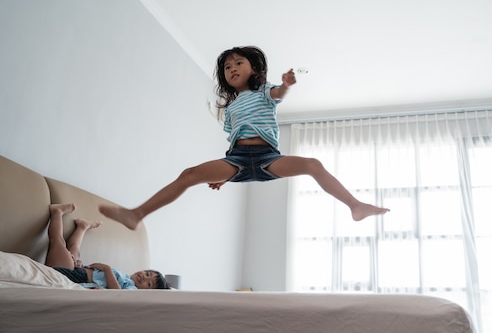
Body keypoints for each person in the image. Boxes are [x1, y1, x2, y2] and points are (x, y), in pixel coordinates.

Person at [99, 46, 389, 230]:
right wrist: (224, 176)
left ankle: (355, 205)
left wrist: (286, 85)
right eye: (227, 67)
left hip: (268, 159)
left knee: (313, 164)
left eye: (238, 63)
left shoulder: (264, 92)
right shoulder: (231, 108)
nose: (232, 69)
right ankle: (136, 214)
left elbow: (278, 95)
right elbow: (233, 141)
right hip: (237, 160)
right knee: (188, 174)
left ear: (254, 69)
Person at [45, 203, 169, 289]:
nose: (144, 278)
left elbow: (116, 292)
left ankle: (57, 212)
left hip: (76, 278)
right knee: (75, 251)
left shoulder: (131, 289)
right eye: (147, 274)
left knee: (58, 242)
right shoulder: (126, 276)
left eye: (148, 284)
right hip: (80, 270)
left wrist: (107, 268)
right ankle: (83, 227)